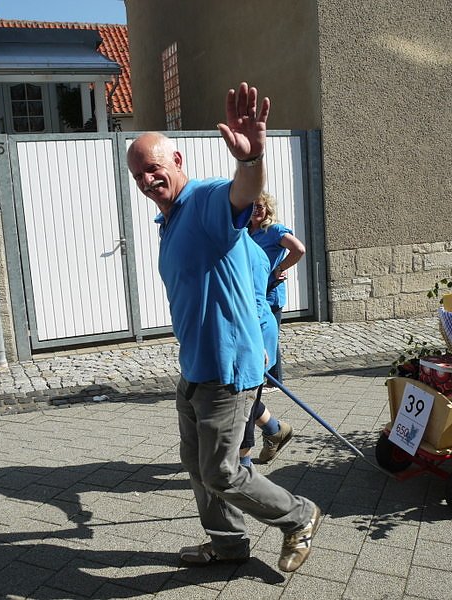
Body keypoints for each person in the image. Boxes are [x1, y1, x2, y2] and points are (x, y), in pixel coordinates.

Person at [126, 83, 320, 573]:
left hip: (228, 371)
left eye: (154, 167)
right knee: (197, 471)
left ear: (176, 158)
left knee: (222, 471)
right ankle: (229, 546)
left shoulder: (207, 200)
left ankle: (298, 516)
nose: (148, 179)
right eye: (138, 174)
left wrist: (252, 159)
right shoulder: (168, 221)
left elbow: (242, 192)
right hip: (193, 370)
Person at [239, 234, 293, 467]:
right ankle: (274, 430)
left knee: (242, 401)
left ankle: (243, 466)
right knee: (244, 399)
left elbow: (256, 303)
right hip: (243, 332)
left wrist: (256, 344)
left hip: (256, 331)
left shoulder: (251, 254)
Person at [248, 192, 306, 388]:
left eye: (260, 206)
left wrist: (280, 268)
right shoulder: (246, 231)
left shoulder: (274, 230)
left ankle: (274, 382)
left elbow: (299, 249)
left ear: (267, 210)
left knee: (271, 335)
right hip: (252, 293)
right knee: (256, 335)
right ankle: (260, 377)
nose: (256, 210)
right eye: (253, 206)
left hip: (270, 292)